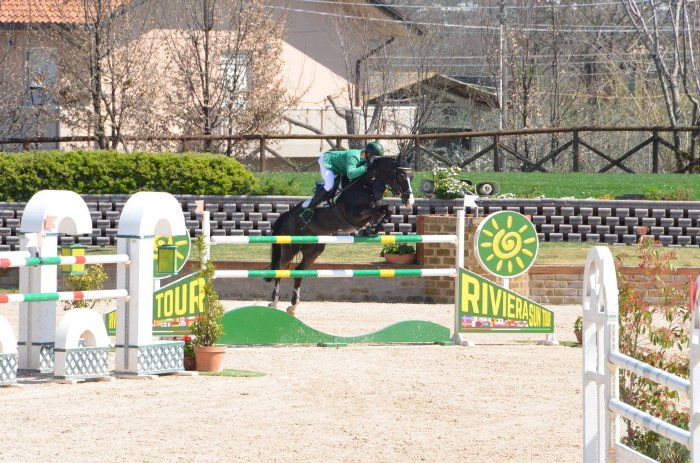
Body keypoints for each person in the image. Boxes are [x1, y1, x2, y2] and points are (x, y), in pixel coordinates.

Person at [299, 141, 385, 224]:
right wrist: (365, 167)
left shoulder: (366, 158)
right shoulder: (354, 157)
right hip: (328, 162)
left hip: (341, 167)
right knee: (329, 184)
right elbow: (351, 174)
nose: (375, 161)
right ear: (368, 154)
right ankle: (309, 208)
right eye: (374, 158)